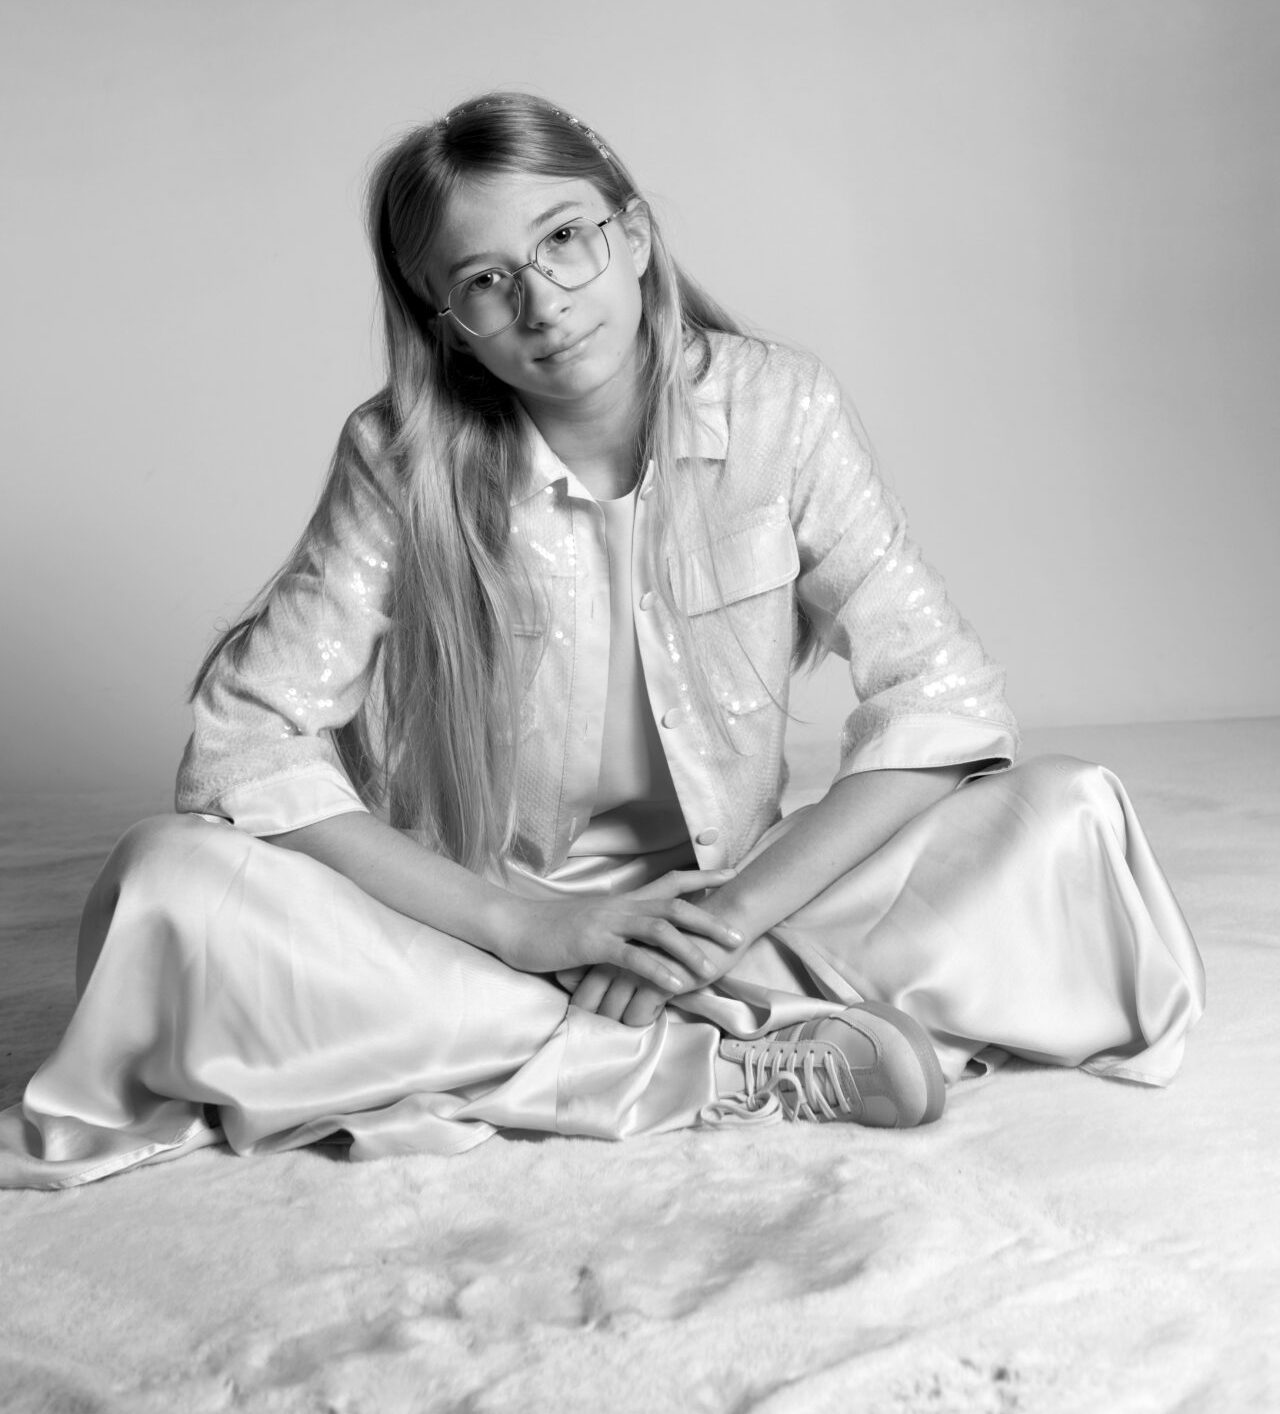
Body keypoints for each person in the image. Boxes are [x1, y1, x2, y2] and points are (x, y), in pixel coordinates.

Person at [0, 92, 1205, 1187]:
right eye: (484, 280)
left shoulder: (778, 406)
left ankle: (586, 1034)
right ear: (446, 322)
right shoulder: (401, 457)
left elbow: (940, 696)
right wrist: (529, 930)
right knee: (168, 883)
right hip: (483, 928)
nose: (541, 301)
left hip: (735, 908)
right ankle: (710, 1066)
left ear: (631, 236)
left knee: (1067, 817)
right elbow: (245, 745)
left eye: (564, 239)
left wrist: (724, 919)